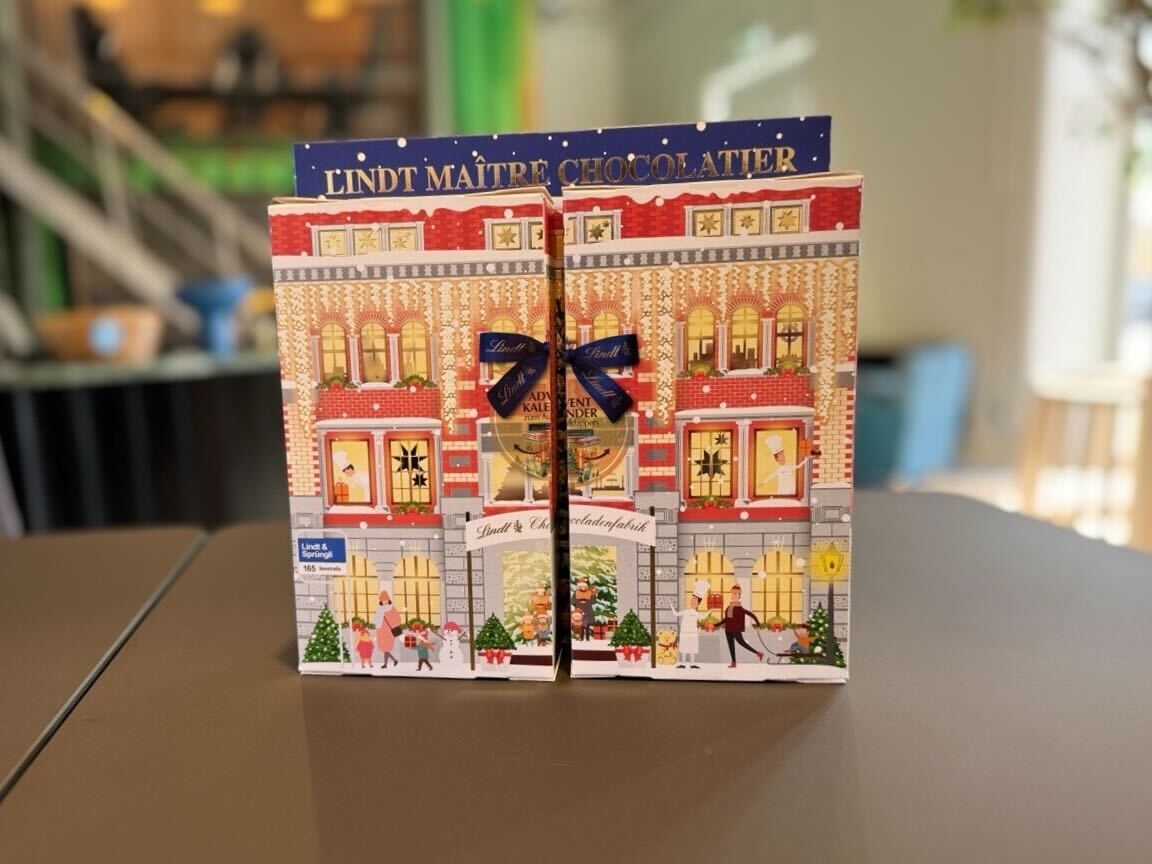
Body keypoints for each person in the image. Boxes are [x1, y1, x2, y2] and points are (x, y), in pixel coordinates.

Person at [665, 578, 709, 668]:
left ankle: (692, 664)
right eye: (692, 599)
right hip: (684, 633)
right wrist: (670, 605)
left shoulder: (696, 613)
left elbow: (703, 617)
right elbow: (676, 614)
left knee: (692, 649)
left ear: (698, 603)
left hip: (693, 633)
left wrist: (709, 611)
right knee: (684, 648)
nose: (693, 601)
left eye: (695, 600)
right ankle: (683, 664)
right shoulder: (685, 611)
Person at [719, 584, 763, 667]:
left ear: (739, 595)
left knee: (742, 643)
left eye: (736, 594)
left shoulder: (740, 608)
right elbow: (726, 619)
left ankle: (758, 653)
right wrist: (716, 625)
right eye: (732, 593)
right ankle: (734, 662)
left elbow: (752, 615)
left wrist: (758, 624)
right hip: (728, 629)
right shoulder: (729, 607)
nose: (733, 595)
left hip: (735, 629)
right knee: (731, 645)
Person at [373, 591, 405, 668]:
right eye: (382, 600)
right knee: (385, 649)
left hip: (389, 631)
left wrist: (393, 625)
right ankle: (392, 661)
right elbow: (375, 619)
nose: (384, 601)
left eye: (385, 600)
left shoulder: (392, 608)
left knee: (386, 648)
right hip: (380, 631)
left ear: (388, 600)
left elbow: (398, 619)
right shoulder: (379, 609)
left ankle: (387, 663)